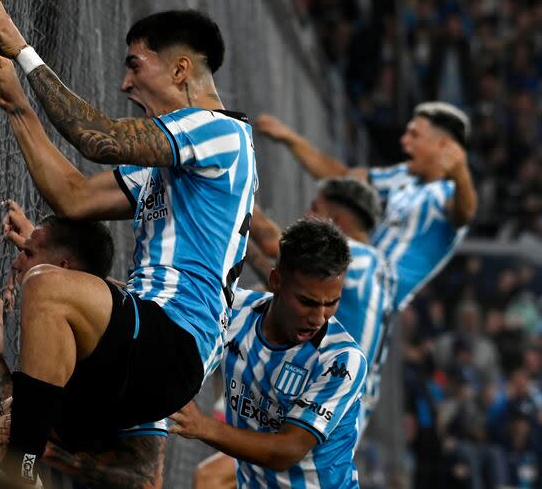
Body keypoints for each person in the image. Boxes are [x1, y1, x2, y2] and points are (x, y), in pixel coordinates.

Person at [0, 0, 256, 483]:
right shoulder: (170, 162)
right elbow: (75, 196)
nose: (125, 84)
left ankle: (16, 473)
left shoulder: (220, 133)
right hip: (145, 347)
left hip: (172, 341)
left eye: (135, 66)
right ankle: (27, 457)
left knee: (46, 286)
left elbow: (98, 138)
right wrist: (17, 107)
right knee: (23, 401)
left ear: (180, 69)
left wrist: (24, 53)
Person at [170, 218, 368, 489]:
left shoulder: (341, 360)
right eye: (307, 302)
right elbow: (165, 306)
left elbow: (287, 450)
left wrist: (203, 426)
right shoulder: (235, 311)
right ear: (276, 281)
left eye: (331, 303)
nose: (318, 318)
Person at [0, 200, 166, 489]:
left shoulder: (134, 364)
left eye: (27, 252)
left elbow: (149, 481)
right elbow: (27, 412)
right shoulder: (54, 324)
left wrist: (48, 452)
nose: (16, 262)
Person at [256, 101, 477, 309]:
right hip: (354, 277)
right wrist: (291, 139)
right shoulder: (404, 177)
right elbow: (343, 176)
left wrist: (461, 173)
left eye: (414, 135)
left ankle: (239, 209)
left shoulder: (448, 195)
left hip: (374, 292)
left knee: (277, 253)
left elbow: (464, 213)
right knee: (265, 298)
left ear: (443, 145)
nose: (404, 140)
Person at [247, 177, 396, 436]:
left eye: (315, 209)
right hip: (345, 409)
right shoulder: (379, 271)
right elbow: (277, 289)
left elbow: (273, 243)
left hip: (324, 405)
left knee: (213, 475)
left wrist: (233, 190)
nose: (307, 215)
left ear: (339, 221)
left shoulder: (357, 258)